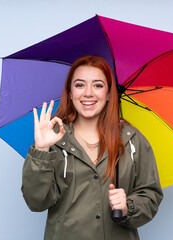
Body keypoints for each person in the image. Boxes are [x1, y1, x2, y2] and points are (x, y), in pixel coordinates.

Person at [21, 55, 163, 240]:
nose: (88, 93)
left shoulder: (132, 140)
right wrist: (41, 150)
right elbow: (36, 202)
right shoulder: (52, 138)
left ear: (109, 93)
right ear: (70, 93)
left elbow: (151, 195)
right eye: (80, 85)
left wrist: (129, 206)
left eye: (98, 85)